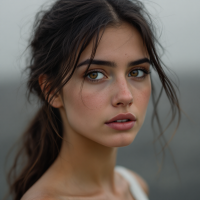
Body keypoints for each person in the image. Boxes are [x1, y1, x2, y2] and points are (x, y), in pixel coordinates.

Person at [7, 0, 181, 200]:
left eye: (137, 71)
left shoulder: (133, 185)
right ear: (52, 90)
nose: (125, 96)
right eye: (95, 75)